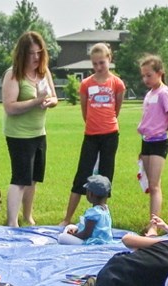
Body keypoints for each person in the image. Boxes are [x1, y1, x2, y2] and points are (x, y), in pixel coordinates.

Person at [59, 43, 125, 227]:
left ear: (109, 59)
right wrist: (93, 125)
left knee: (105, 177)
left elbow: (117, 108)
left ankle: (102, 219)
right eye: (94, 63)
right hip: (91, 135)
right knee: (82, 175)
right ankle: (67, 218)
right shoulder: (86, 84)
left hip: (110, 135)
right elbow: (84, 110)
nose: (98, 67)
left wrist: (107, 122)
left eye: (101, 63)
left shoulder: (117, 83)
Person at [2, 31, 58, 227]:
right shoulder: (13, 74)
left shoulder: (44, 72)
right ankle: (12, 222)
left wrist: (49, 102)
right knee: (20, 178)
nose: (36, 57)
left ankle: (28, 216)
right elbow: (9, 107)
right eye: (31, 53)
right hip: (19, 135)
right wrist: (36, 101)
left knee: (33, 178)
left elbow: (54, 98)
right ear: (22, 54)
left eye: (39, 53)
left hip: (38, 133)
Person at [137, 55, 168, 220]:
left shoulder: (164, 93)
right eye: (143, 75)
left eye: (149, 75)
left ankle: (154, 225)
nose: (145, 79)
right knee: (151, 185)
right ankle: (152, 220)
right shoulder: (150, 94)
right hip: (146, 142)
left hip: (159, 142)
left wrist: (160, 129)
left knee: (155, 186)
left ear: (160, 73)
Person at [57, 175, 114, 246]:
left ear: (91, 194)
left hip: (92, 242)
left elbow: (86, 234)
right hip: (105, 240)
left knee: (61, 237)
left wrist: (73, 235)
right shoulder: (105, 209)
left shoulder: (93, 213)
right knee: (71, 226)